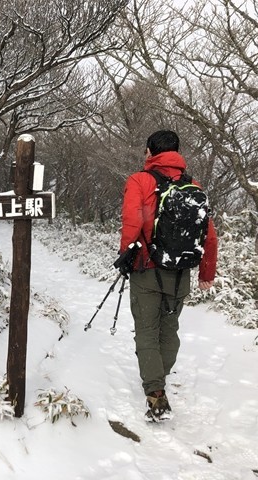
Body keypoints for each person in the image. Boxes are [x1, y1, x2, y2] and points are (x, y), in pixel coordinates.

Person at [119, 130, 218, 421]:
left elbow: (133, 222)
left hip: (147, 269)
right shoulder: (192, 185)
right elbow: (209, 236)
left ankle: (156, 393)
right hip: (180, 273)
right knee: (169, 327)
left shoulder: (140, 181)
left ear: (150, 152)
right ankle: (159, 373)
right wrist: (206, 272)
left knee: (147, 330)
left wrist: (127, 255)